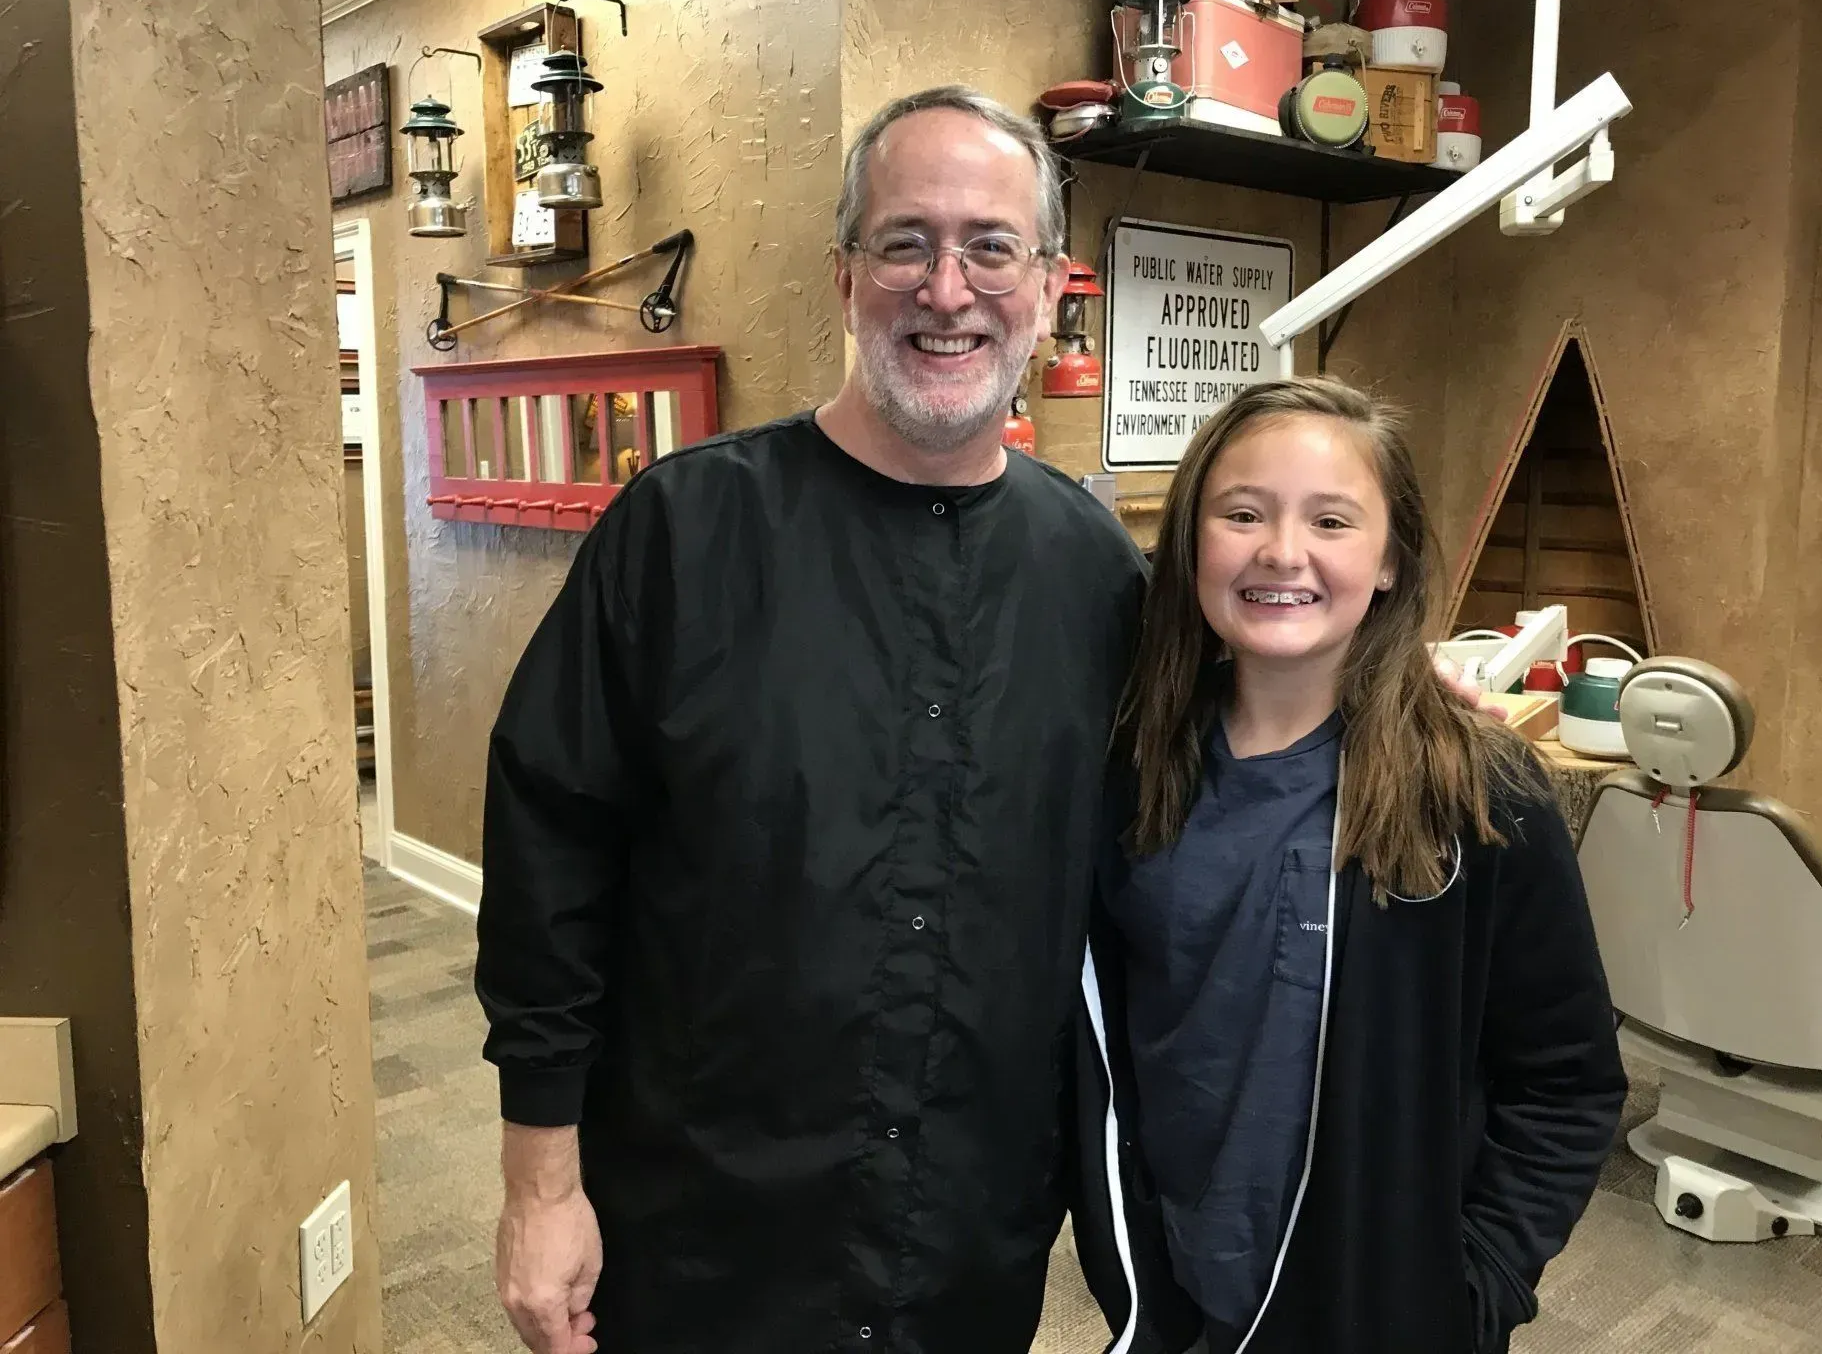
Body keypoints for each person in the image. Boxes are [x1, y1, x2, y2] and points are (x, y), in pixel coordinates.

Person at [475, 86, 1148, 1354]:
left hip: (969, 1238)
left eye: (991, 247)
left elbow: (1212, 789)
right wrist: (540, 1185)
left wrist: (1396, 691)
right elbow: (547, 869)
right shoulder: (680, 536)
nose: (948, 290)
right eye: (906, 242)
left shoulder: (1099, 575)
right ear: (846, 276)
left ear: (1050, 283)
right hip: (700, 1237)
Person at [1069, 379, 1627, 1354]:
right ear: (1192, 541)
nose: (1282, 551)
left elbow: (1567, 1084)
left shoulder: (1473, 794)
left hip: (1377, 1313)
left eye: (1331, 519)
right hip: (1179, 1299)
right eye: (1242, 513)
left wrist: (1474, 1288)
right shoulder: (1137, 767)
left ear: (1389, 560)